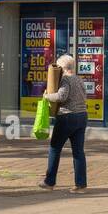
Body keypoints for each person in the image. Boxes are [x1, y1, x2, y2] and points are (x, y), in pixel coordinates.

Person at [38, 54, 88, 193]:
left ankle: (49, 182)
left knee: (55, 148)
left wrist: (47, 96)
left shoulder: (65, 79)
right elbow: (85, 96)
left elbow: (61, 96)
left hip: (67, 117)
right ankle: (81, 185)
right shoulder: (79, 79)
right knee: (78, 152)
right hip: (82, 116)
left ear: (62, 68)